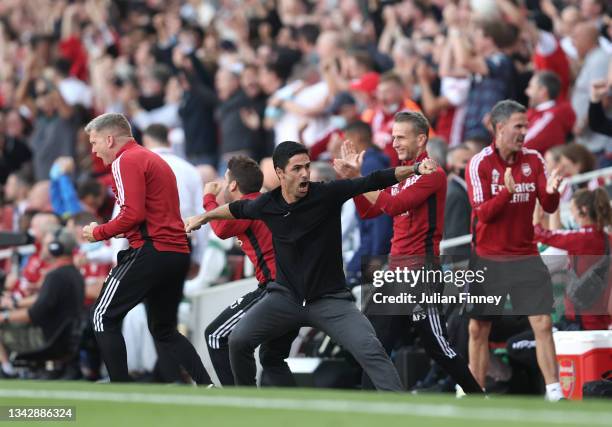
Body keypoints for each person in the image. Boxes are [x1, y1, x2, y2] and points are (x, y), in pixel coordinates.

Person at [185, 140, 438, 390]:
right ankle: (248, 403)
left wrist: (414, 169)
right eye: (297, 168)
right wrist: (205, 216)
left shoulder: (326, 193)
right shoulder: (267, 204)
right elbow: (236, 208)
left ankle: (396, 407)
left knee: (371, 348)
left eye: (307, 166)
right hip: (284, 298)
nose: (305, 173)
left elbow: (374, 180)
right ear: (280, 173)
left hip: (331, 300)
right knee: (239, 340)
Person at [336, 112, 483, 394]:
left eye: (401, 137)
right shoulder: (403, 174)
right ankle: (370, 405)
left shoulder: (432, 173)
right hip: (396, 271)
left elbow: (392, 205)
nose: (395, 143)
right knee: (373, 342)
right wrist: (353, 183)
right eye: (393, 137)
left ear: (421, 139)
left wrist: (359, 177)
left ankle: (479, 396)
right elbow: (368, 211)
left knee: (437, 347)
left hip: (420, 271)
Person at [81, 113, 209, 384]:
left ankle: (122, 390)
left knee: (103, 315)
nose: (93, 150)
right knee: (164, 329)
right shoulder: (156, 160)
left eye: (94, 143)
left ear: (109, 138)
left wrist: (97, 233)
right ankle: (206, 384)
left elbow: (132, 215)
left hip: (151, 250)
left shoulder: (124, 160)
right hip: (177, 253)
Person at [465, 100, 564, 401]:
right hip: (489, 257)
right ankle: (475, 391)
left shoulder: (534, 159)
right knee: (479, 329)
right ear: (499, 127)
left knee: (543, 323)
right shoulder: (479, 163)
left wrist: (551, 194)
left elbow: (548, 206)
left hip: (525, 254)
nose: (524, 132)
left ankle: (554, 391)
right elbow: (483, 213)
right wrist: (507, 192)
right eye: (518, 126)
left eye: (526, 126)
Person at [202, 156, 296, 386]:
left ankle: (238, 399)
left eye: (226, 180)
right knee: (272, 357)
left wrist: (208, 198)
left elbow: (220, 229)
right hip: (294, 286)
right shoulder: (267, 201)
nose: (224, 185)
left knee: (215, 335)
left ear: (233, 185)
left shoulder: (248, 206)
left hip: (275, 288)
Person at [0, 227, 84, 378]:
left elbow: (34, 314)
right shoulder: (72, 273)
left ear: (55, 248)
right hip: (62, 339)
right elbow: (42, 301)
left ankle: (7, 371)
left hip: (47, 340)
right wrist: (13, 303)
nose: (42, 249)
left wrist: (5, 316)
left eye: (45, 245)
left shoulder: (56, 276)